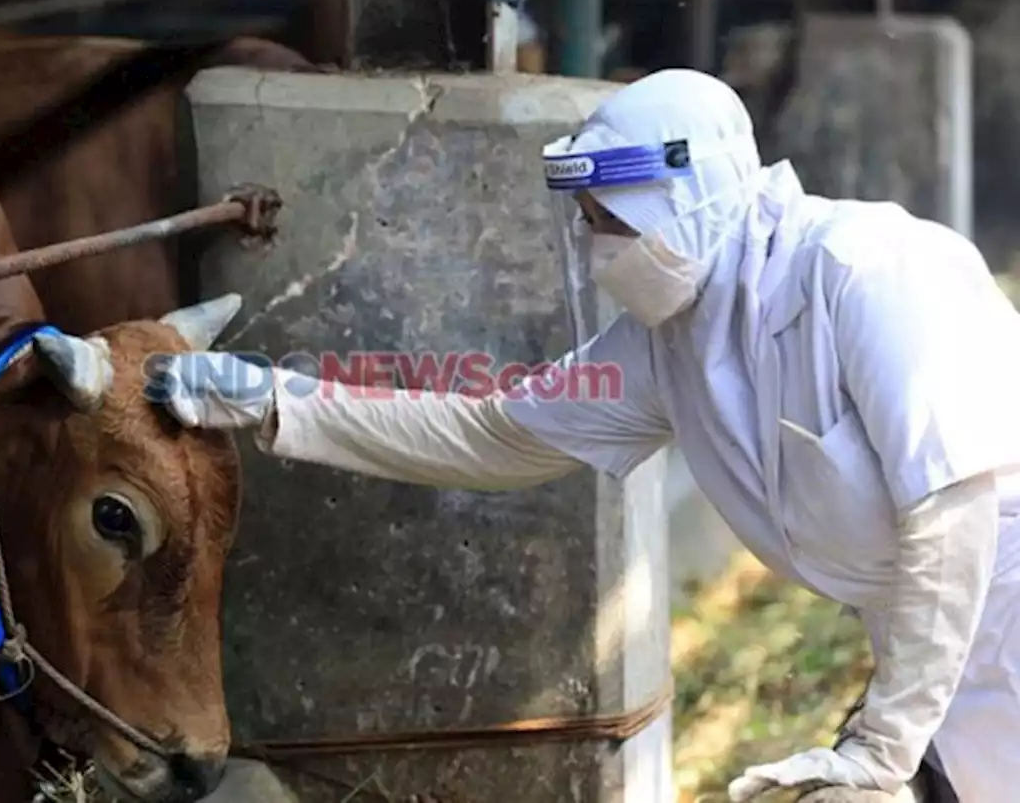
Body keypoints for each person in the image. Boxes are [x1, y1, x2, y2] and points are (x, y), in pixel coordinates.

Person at [156, 68, 1020, 802]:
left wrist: (881, 746)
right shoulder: (667, 345)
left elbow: (955, 511)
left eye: (608, 218)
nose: (595, 246)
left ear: (684, 194)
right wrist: (277, 401)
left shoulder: (869, 269)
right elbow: (492, 431)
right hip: (937, 655)